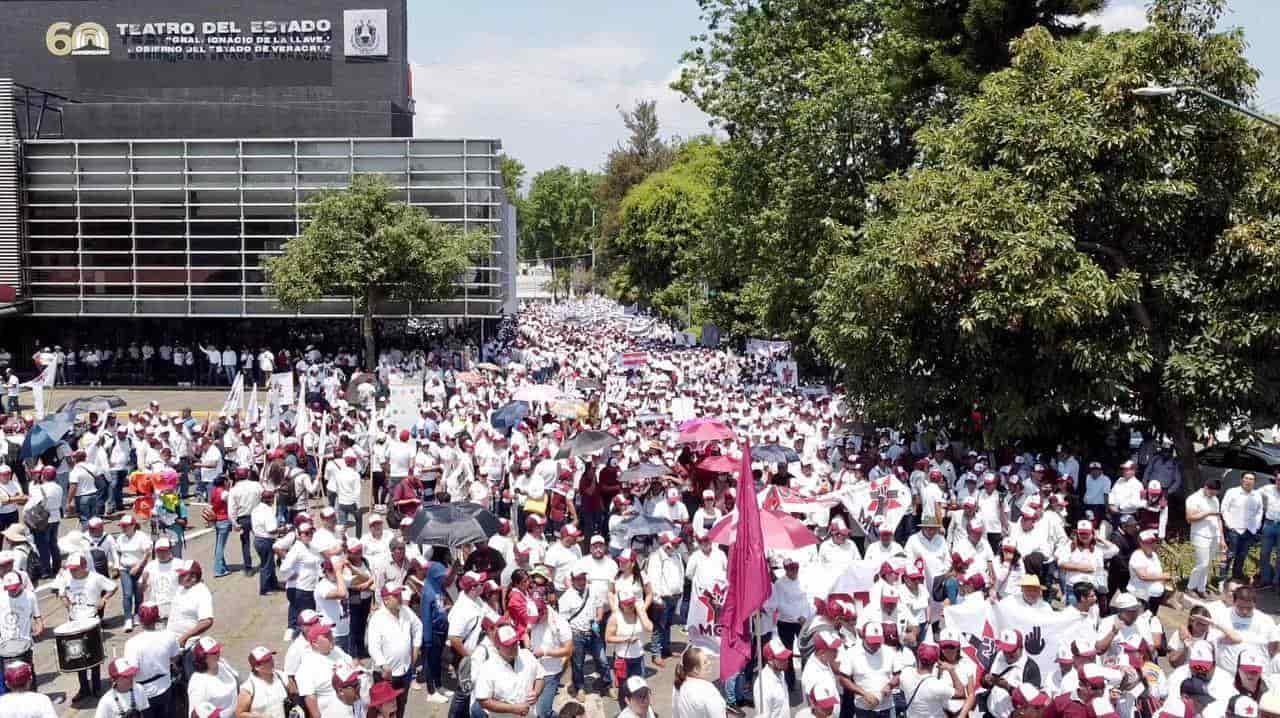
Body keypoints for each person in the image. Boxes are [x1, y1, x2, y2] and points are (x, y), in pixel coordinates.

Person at [57, 551, 118, 703]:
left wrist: (103, 599)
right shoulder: (66, 578)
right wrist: (64, 598)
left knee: (94, 655)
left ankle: (96, 687)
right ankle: (83, 688)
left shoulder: (95, 578)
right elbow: (61, 592)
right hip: (74, 621)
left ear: (84, 566)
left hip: (91, 620)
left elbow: (113, 586)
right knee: (78, 656)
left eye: (75, 568)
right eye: (71, 568)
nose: (72, 571)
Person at [366, 583, 421, 718]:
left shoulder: (406, 611)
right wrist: (384, 665)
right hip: (386, 675)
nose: (400, 598)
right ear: (386, 600)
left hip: (405, 670)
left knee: (401, 704)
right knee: (384, 710)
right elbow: (373, 646)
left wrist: (416, 648)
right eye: (396, 596)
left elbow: (418, 626)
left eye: (400, 594)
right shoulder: (377, 619)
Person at [123, 603, 180, 718]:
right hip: (165, 687)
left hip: (144, 694)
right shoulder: (169, 636)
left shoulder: (132, 644)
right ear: (157, 617)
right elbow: (175, 658)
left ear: (140, 620)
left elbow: (131, 671)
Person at [473, 623, 542, 717]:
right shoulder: (487, 669)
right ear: (497, 646)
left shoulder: (527, 655)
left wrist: (536, 692)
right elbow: (484, 701)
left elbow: (540, 676)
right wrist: (513, 709)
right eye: (508, 645)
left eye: (514, 643)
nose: (513, 647)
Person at [529, 595, 573, 718]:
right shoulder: (533, 616)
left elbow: (568, 650)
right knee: (534, 710)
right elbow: (524, 631)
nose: (535, 622)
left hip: (550, 672)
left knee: (543, 712)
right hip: (534, 669)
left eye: (537, 619)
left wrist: (544, 652)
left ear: (544, 612)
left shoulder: (560, 624)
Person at [1222, 472, 1264, 581]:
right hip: (1234, 530)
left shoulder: (1257, 495)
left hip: (1249, 530)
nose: (1248, 481)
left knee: (1242, 555)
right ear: (1241, 480)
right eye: (1246, 478)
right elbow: (1224, 508)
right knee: (1229, 555)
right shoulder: (1232, 492)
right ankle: (1222, 579)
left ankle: (1236, 576)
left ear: (1254, 482)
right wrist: (1229, 525)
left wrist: (1255, 527)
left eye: (1251, 479)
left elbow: (1259, 511)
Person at [115, 514, 152, 632]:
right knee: (127, 594)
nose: (123, 528)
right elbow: (118, 552)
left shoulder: (142, 537)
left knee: (138, 593)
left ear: (133, 526)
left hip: (139, 568)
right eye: (122, 526)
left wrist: (138, 566)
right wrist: (117, 565)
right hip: (124, 568)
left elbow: (147, 553)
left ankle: (137, 614)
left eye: (125, 526)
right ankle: (127, 619)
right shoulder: (120, 538)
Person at [187, 637, 240, 715]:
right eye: (214, 652)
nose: (218, 653)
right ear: (203, 657)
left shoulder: (222, 664)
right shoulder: (198, 683)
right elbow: (195, 714)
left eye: (218, 650)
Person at [235, 646, 290, 718]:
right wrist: (258, 716)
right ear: (257, 667)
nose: (271, 662)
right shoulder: (248, 688)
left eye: (270, 658)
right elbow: (239, 714)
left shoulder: (282, 676)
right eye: (266, 661)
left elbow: (293, 695)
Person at [673, 646, 728, 717]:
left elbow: (675, 713)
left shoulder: (679, 685)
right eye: (705, 662)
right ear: (696, 669)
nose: (709, 663)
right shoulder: (708, 691)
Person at [752, 637, 792, 718]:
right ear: (770, 660)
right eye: (781, 658)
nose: (786, 660)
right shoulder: (764, 686)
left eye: (786, 657)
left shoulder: (781, 672)